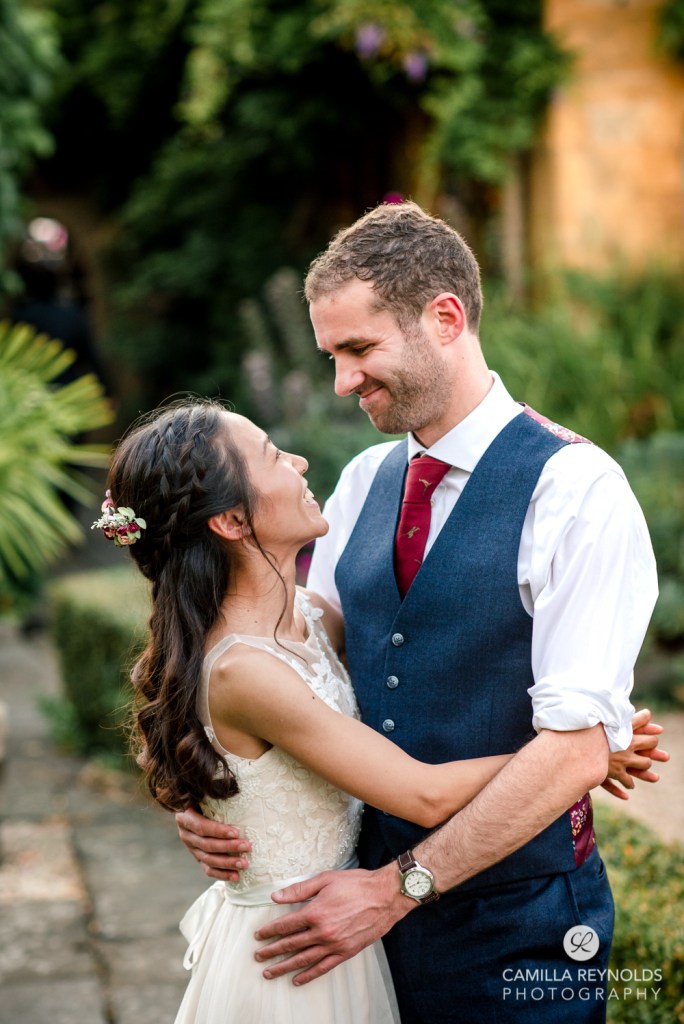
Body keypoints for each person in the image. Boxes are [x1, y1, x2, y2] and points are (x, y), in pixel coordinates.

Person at [176, 201, 665, 1023]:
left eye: (359, 349)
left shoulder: (577, 492)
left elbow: (573, 750)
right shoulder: (365, 479)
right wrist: (209, 789)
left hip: (520, 926)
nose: (341, 381)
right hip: (347, 928)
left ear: (445, 318)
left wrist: (398, 890)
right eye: (332, 355)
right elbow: (281, 661)